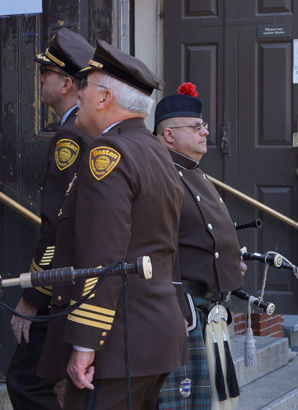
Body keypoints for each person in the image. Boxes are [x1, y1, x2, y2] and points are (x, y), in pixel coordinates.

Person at [36, 40, 188, 410]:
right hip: (156, 336)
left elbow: (104, 256)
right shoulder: (156, 150)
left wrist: (85, 344)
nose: (79, 94)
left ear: (104, 98)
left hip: (117, 343)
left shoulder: (109, 153)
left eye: (84, 86)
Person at [6, 27, 93, 410]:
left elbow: (58, 225)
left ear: (67, 83)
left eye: (48, 73)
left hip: (65, 286)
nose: (40, 78)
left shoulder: (71, 137)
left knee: (25, 383)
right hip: (86, 282)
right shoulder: (90, 129)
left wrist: (32, 296)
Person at [154, 83, 246, 410]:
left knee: (212, 404)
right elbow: (161, 246)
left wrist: (228, 264)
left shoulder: (196, 174)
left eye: (203, 125)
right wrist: (176, 307)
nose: (206, 131)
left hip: (209, 309)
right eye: (196, 126)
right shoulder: (164, 175)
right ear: (168, 135)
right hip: (186, 312)